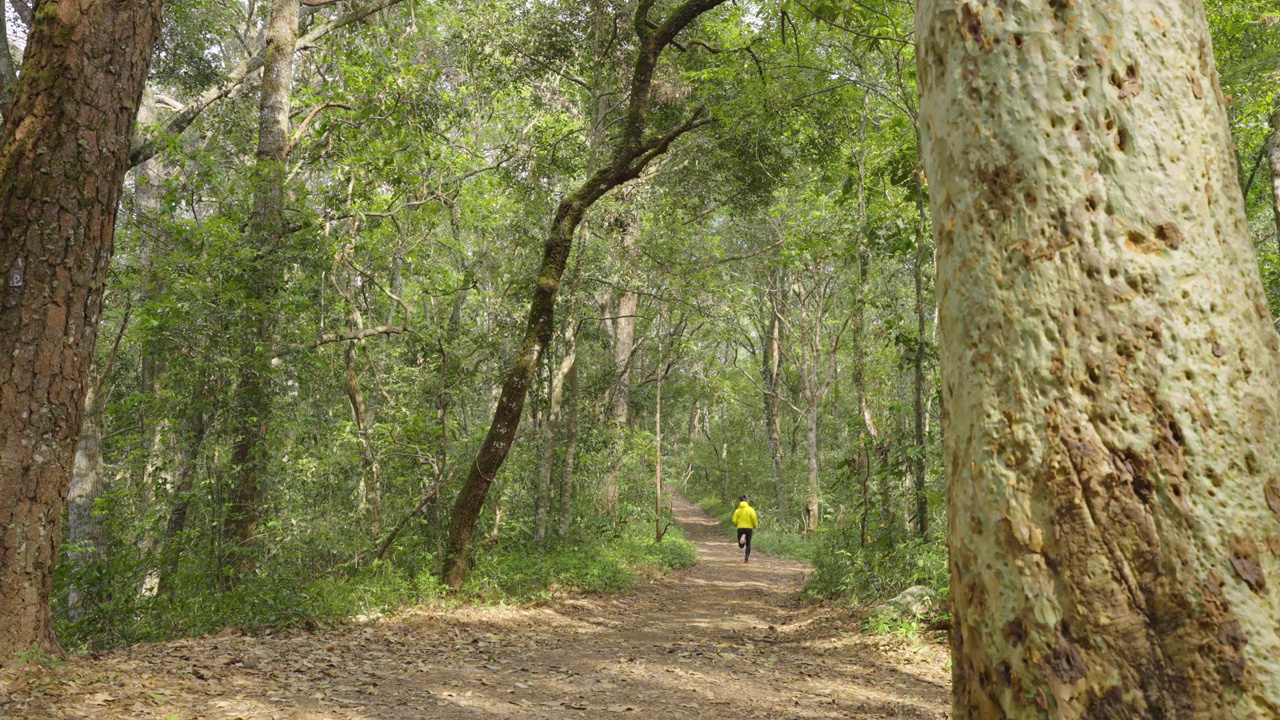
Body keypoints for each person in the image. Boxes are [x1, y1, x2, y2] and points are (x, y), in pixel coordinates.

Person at [731, 495, 759, 564]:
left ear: (740, 501)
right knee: (748, 544)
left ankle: (742, 539)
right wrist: (755, 525)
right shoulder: (750, 509)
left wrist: (737, 523)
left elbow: (734, 520)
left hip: (740, 528)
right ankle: (746, 559)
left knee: (741, 545)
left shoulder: (738, 510)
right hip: (749, 528)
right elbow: (754, 518)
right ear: (747, 500)